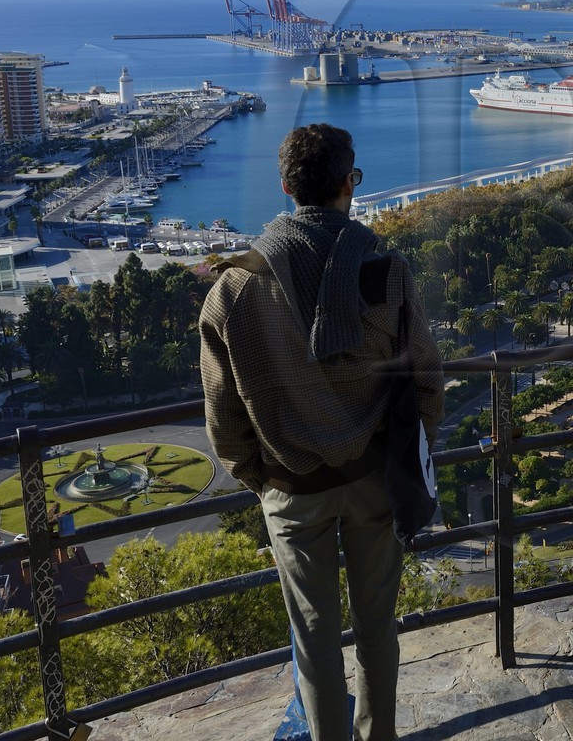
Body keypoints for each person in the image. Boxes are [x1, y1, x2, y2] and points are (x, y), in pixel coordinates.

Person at [200, 123, 443, 741]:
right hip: (372, 474)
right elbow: (426, 376)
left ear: (285, 187)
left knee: (312, 641)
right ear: (347, 184)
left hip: (289, 484)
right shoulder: (384, 269)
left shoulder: (233, 288)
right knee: (376, 628)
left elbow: (222, 412)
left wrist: (259, 479)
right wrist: (415, 451)